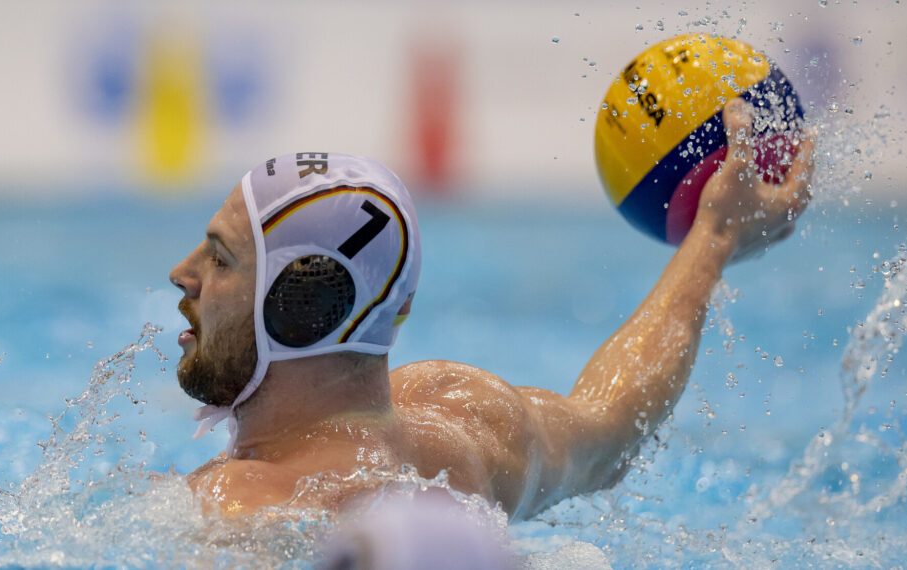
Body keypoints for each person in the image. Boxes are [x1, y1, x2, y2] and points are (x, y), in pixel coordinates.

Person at [170, 98, 814, 519]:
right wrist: (715, 238)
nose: (184, 275)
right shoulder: (467, 426)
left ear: (305, 304)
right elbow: (614, 427)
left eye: (221, 260)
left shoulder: (237, 505)